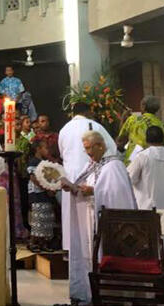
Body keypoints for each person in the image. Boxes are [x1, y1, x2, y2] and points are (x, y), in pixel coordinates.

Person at [64, 131, 136, 306]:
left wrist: (93, 191)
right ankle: (88, 293)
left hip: (106, 225)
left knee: (101, 256)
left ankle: (109, 296)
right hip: (88, 221)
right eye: (85, 149)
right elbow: (84, 185)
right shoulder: (91, 165)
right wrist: (73, 188)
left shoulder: (113, 166)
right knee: (88, 257)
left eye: (89, 148)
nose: (88, 152)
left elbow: (116, 194)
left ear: (101, 146)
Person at [58, 102, 117, 251]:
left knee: (70, 215)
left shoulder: (64, 129)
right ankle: (89, 248)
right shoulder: (95, 126)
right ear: (88, 112)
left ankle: (69, 248)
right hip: (91, 173)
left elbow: (62, 152)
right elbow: (112, 149)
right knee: (88, 219)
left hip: (70, 176)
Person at [127, 126, 164, 211]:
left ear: (146, 139)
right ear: (163, 139)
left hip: (146, 209)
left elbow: (128, 179)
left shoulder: (143, 156)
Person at [117, 95, 164, 164]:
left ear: (143, 105)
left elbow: (121, 138)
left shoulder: (133, 120)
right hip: (155, 165)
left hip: (133, 162)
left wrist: (123, 118)